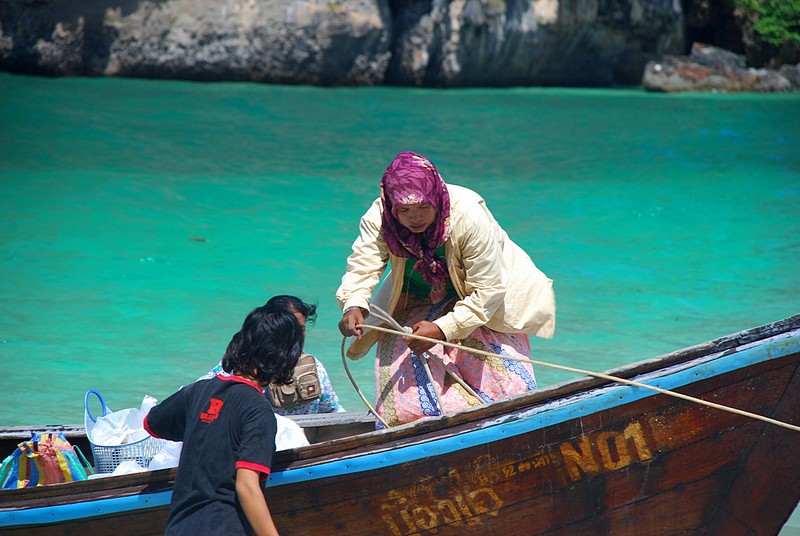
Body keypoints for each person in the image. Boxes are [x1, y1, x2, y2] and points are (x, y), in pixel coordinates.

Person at [336, 151, 556, 427]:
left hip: (484, 301)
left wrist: (442, 330)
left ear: (436, 198)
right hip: (416, 297)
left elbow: (488, 291)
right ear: (392, 207)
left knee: (504, 387)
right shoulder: (379, 217)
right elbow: (363, 264)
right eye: (404, 211)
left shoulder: (468, 215)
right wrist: (354, 305)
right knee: (407, 395)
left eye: (423, 208)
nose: (414, 218)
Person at [144, 300, 304, 536]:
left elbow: (152, 423)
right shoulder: (258, 411)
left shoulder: (196, 392)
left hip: (179, 527)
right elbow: (246, 486)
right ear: (284, 358)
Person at [199, 296, 345, 415]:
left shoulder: (314, 367)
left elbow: (332, 410)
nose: (296, 336)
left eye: (300, 329)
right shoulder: (243, 366)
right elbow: (199, 397)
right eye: (289, 329)